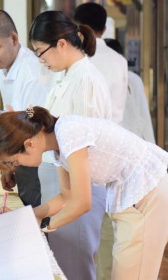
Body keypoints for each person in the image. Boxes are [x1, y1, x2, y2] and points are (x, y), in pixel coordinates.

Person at [0, 106, 168, 280]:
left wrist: (44, 226)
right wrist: (26, 217)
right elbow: (67, 196)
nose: (17, 167)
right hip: (132, 193)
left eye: (14, 162)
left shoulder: (68, 134)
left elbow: (82, 203)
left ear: (29, 144)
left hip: (145, 189)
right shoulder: (56, 143)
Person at [29, 10, 112, 280]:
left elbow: (85, 146)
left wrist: (48, 221)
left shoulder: (85, 79)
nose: (41, 60)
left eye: (41, 52)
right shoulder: (66, 77)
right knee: (62, 265)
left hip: (81, 185)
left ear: (61, 44)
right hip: (65, 182)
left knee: (74, 267)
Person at [0, 8, 60, 207]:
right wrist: (8, 167)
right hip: (21, 156)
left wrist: (5, 161)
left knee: (37, 221)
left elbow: (32, 121)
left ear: (14, 39)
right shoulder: (5, 67)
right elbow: (17, 115)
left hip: (38, 160)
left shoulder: (31, 72)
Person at [73, 5, 129, 279]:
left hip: (85, 155)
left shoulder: (79, 59)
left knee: (81, 235)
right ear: (105, 29)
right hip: (114, 152)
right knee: (109, 231)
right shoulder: (118, 60)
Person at [74, 2, 128, 124]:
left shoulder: (74, 56)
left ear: (77, 28)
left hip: (80, 135)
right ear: (104, 29)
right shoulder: (120, 60)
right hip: (114, 134)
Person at [105, 38, 155, 143]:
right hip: (134, 139)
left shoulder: (131, 79)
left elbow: (143, 114)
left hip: (119, 139)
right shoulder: (134, 78)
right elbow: (144, 115)